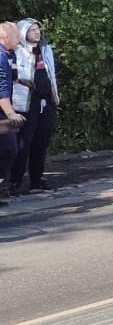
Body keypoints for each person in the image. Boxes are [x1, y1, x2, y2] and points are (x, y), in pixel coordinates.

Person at [9, 18, 59, 194]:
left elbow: (51, 74)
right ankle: (15, 181)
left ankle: (37, 180)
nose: (37, 32)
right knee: (24, 143)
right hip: (26, 104)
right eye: (32, 30)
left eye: (38, 29)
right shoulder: (17, 51)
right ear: (23, 32)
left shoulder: (46, 50)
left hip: (47, 103)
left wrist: (54, 96)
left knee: (42, 141)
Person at [0, 22, 23, 205]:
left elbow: (10, 78)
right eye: (16, 36)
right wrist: (10, 114)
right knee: (9, 149)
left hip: (5, 106)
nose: (20, 39)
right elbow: (1, 88)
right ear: (5, 37)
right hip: (2, 109)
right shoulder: (0, 55)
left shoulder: (9, 54)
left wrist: (23, 81)